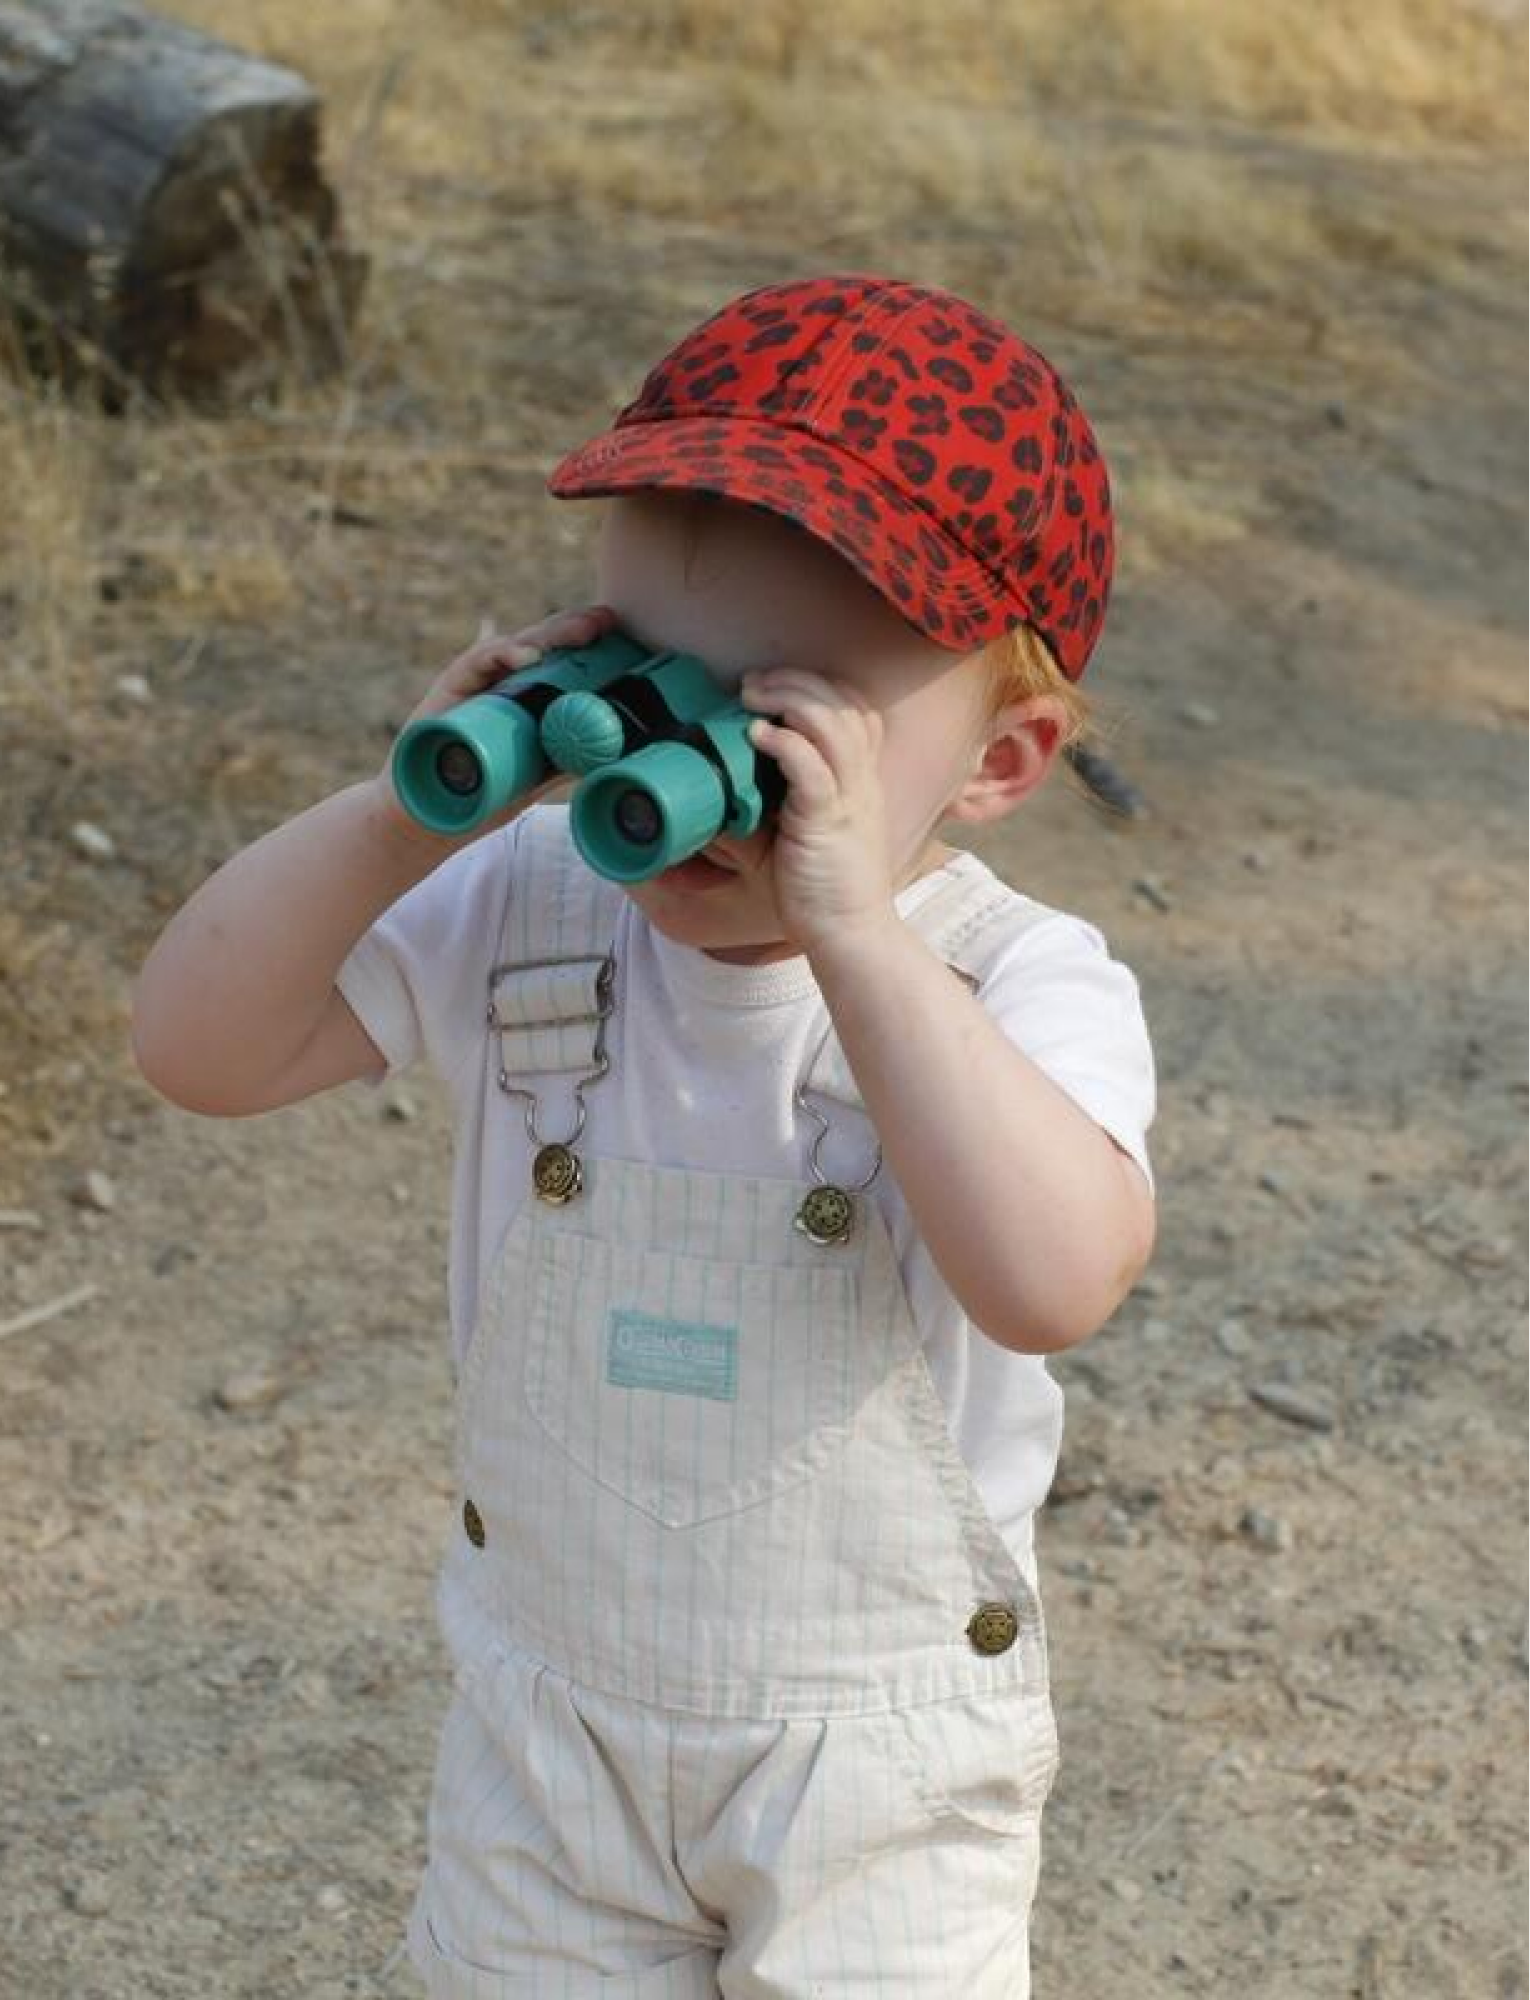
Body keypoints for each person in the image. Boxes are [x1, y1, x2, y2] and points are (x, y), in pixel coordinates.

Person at [132, 273, 1157, 1997]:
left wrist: (852, 930)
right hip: (551, 1744)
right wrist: (409, 811)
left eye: (777, 717)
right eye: (637, 671)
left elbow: (1050, 1281)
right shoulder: (525, 899)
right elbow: (195, 1048)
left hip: (875, 1779)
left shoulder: (1012, 982)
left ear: (999, 761)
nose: (690, 749)